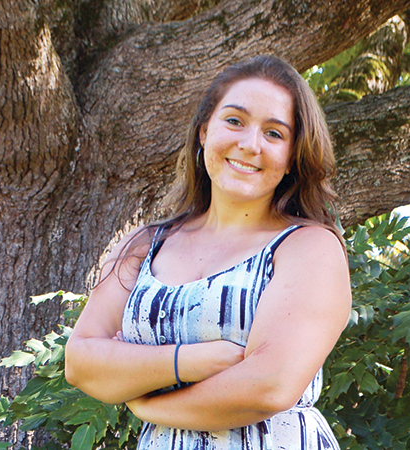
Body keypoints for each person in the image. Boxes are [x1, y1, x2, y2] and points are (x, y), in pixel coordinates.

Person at [65, 54, 352, 450]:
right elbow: (81, 362)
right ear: (204, 133)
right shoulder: (145, 245)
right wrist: (197, 360)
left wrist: (148, 404)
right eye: (234, 121)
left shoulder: (309, 247)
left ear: (292, 158)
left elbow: (269, 387)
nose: (250, 144)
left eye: (274, 133)